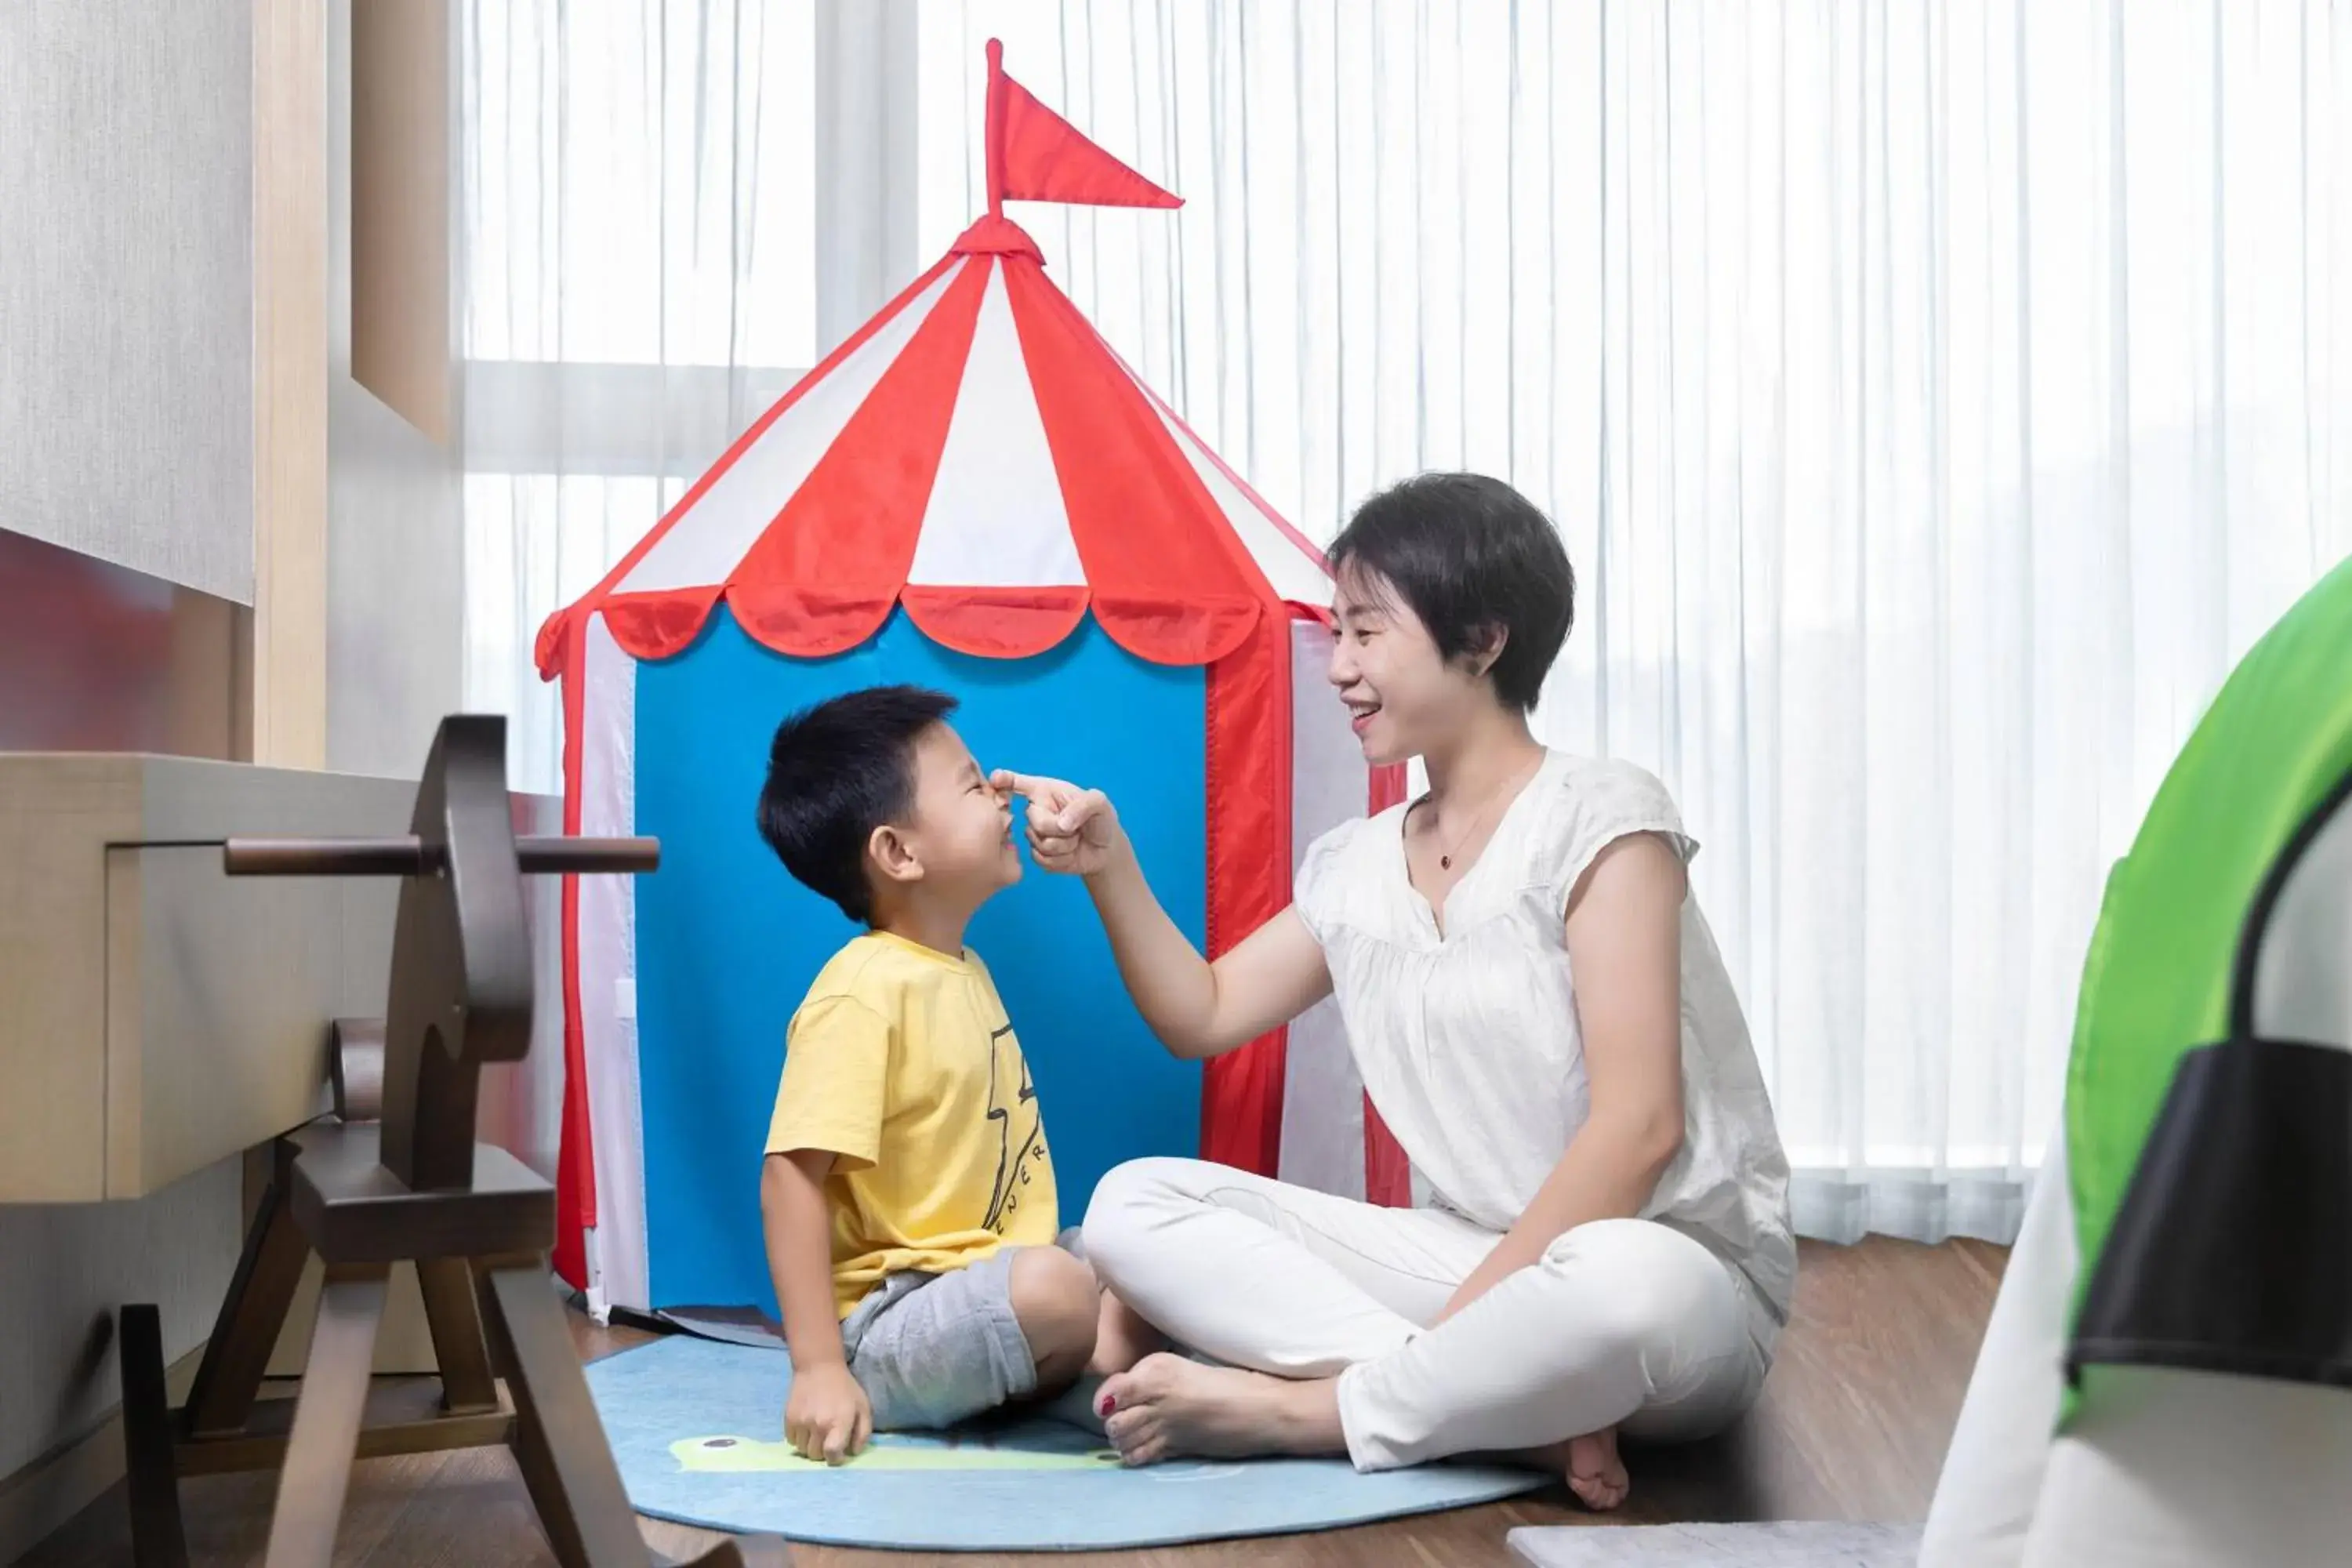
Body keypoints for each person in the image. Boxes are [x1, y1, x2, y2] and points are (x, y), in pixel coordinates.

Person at [996, 473, 1795, 1510]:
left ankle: (1305, 1412)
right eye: (1336, 633)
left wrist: (1473, 1335)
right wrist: (1109, 865)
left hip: (1666, 1269)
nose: (1340, 666)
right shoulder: (1355, 865)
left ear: (1486, 636)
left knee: (1616, 1289)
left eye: (1367, 632)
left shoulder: (1605, 816)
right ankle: (1505, 1412)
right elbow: (1201, 1013)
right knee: (1134, 1205)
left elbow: (1640, 1130)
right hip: (1468, 1257)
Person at [753, 684, 1143, 1464]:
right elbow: (789, 1177)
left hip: (998, 1280)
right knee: (1058, 1289)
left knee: (1146, 1242)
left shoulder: (963, 969)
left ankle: (1092, 1365)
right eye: (972, 783)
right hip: (894, 1321)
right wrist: (820, 1367)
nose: (1001, 789)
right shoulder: (860, 992)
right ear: (899, 852)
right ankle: (1094, 1368)